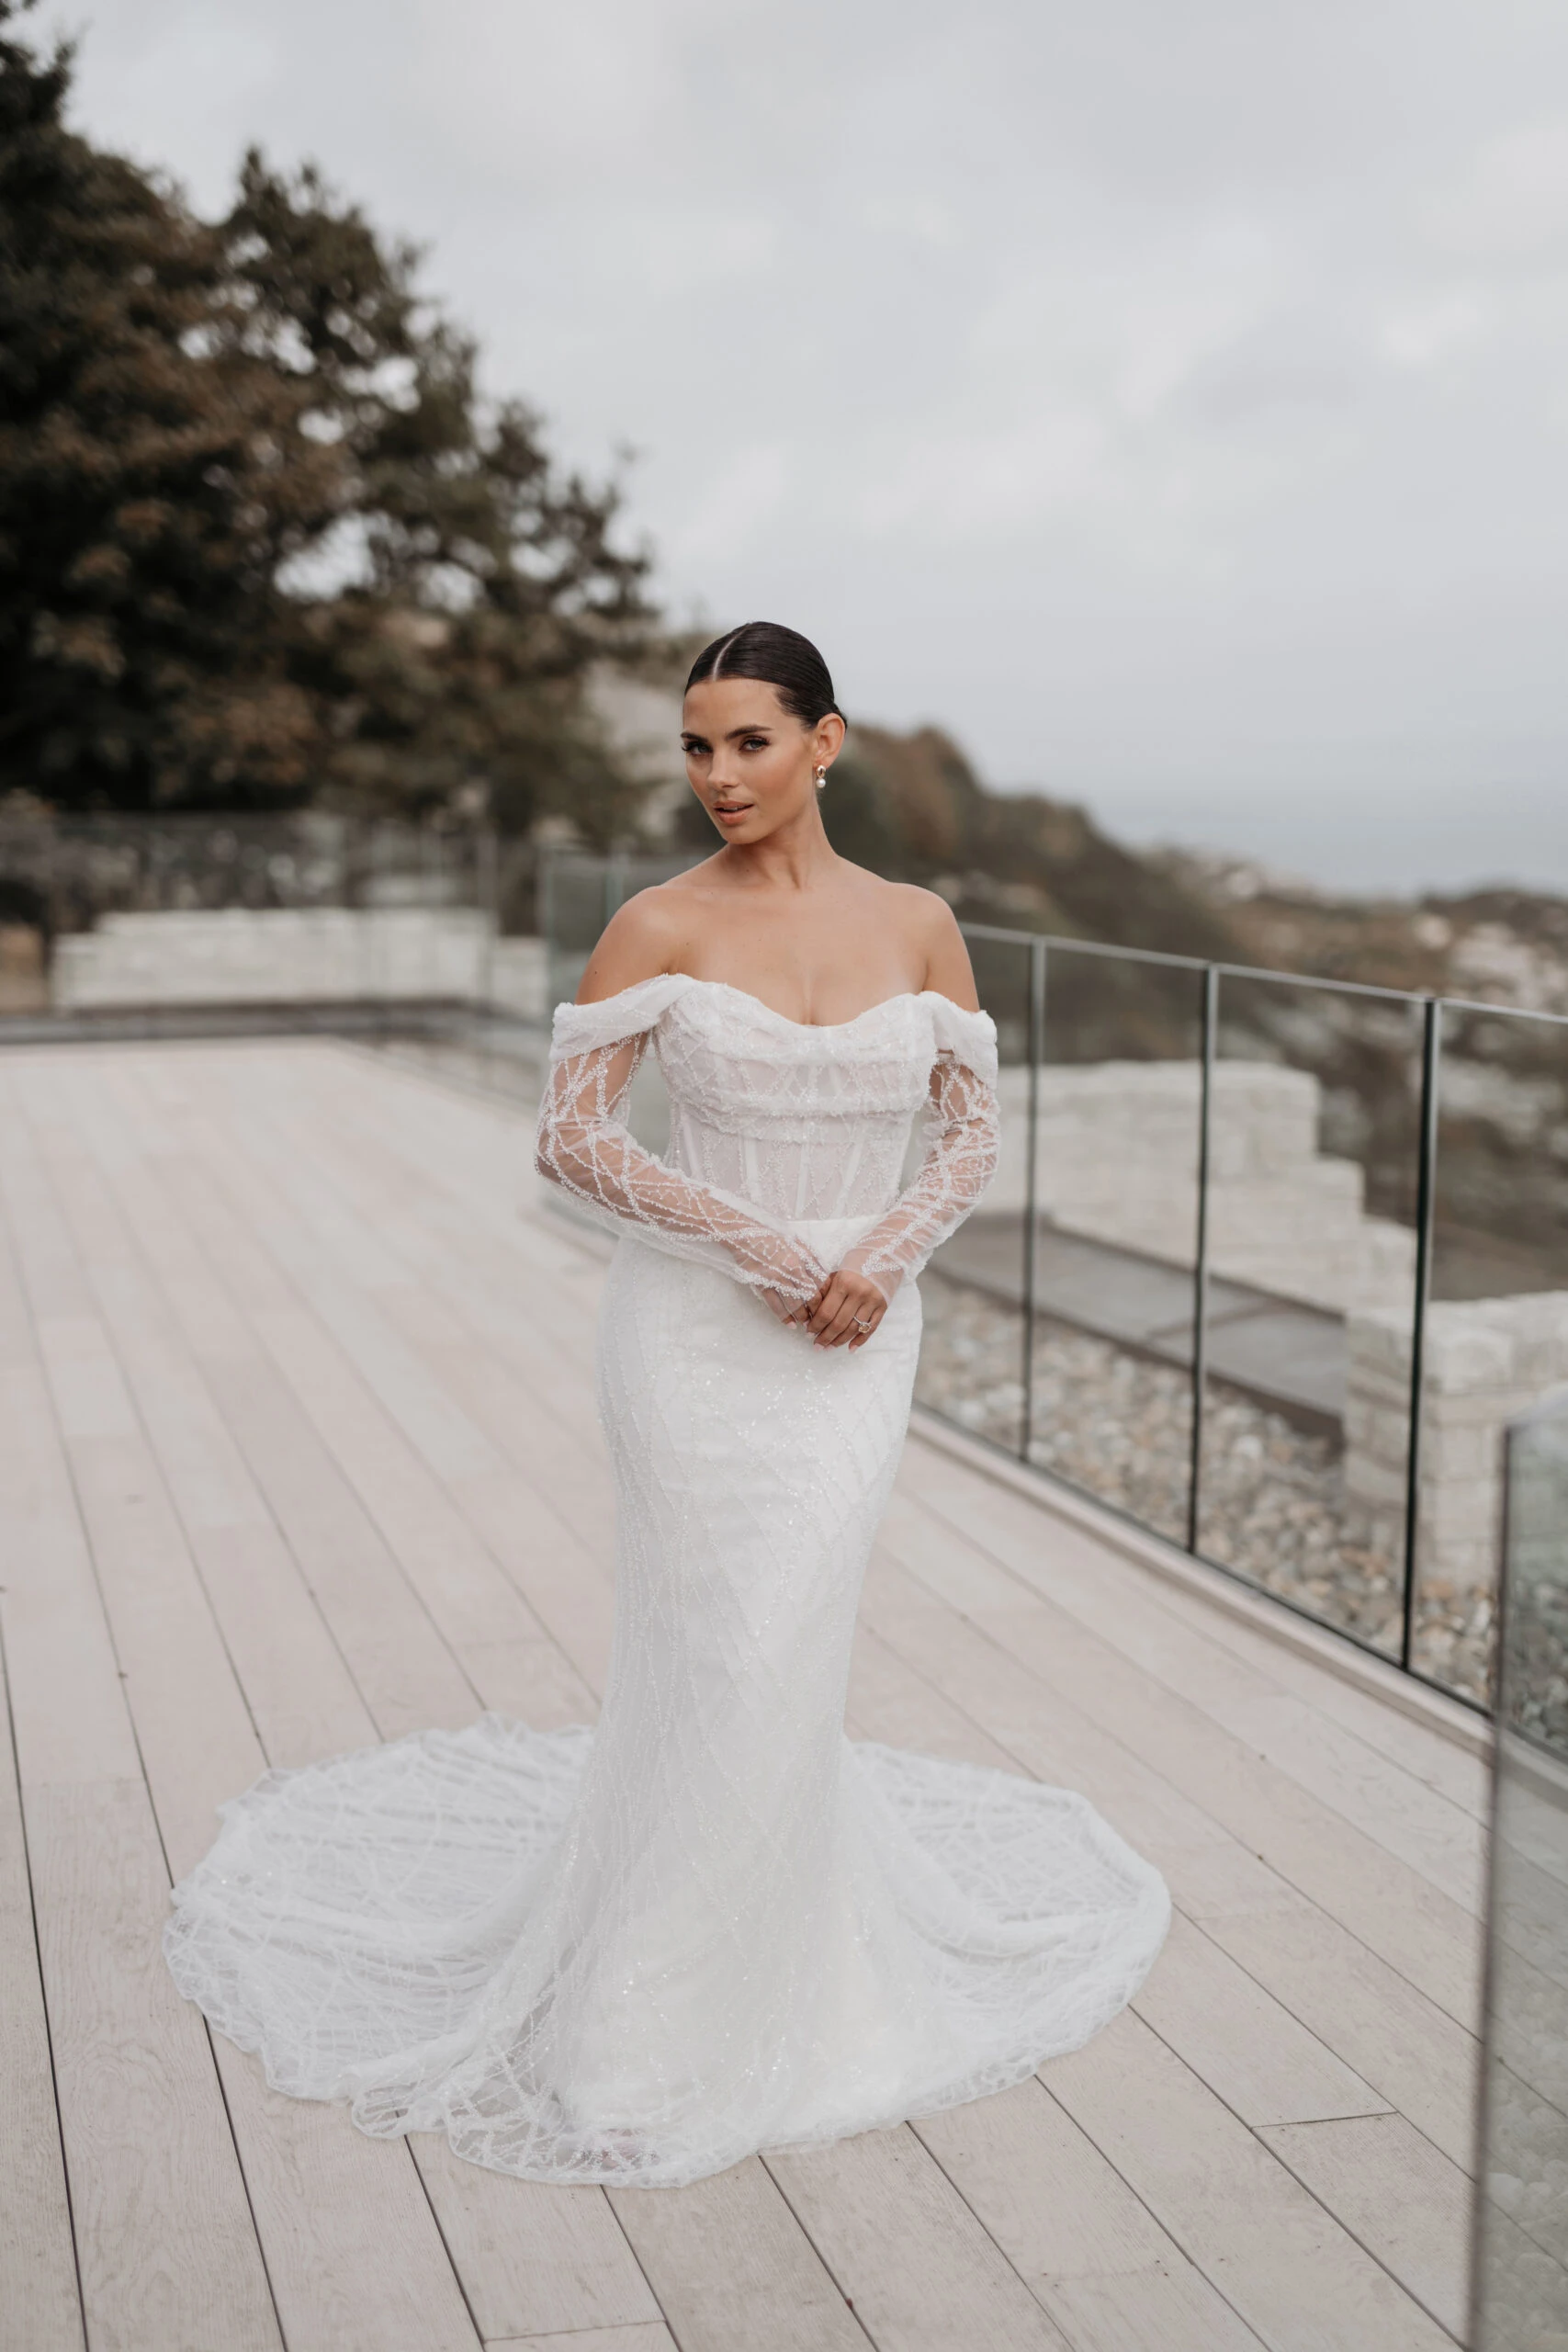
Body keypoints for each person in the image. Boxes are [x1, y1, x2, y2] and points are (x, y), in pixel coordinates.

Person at [164, 621, 1168, 2188]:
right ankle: (635, 2029)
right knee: (716, 1642)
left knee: (792, 1641)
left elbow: (968, 1138)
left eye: (748, 742)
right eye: (694, 747)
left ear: (824, 742)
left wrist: (877, 1260)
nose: (717, 776)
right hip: (696, 1334)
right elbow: (572, 1139)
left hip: (856, 1338)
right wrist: (764, 1249)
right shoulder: (655, 922)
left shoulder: (919, 924)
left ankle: (793, 1970)